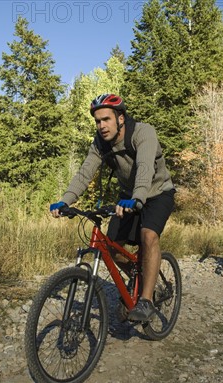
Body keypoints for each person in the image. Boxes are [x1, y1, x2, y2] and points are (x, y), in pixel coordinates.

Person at [50, 93, 176, 322]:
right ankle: (140, 277)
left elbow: (145, 167)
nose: (101, 126)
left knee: (148, 235)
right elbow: (85, 173)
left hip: (158, 193)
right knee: (112, 247)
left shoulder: (143, 132)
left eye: (106, 119)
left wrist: (138, 197)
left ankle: (146, 300)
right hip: (128, 196)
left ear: (120, 118)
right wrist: (66, 200)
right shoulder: (100, 143)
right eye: (98, 121)